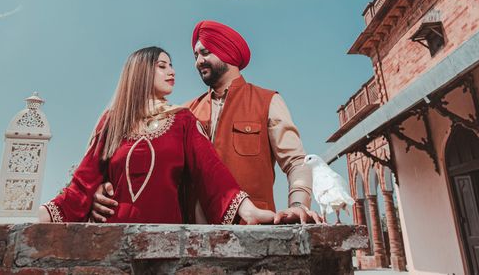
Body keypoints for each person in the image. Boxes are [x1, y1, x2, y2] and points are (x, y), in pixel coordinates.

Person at [91, 21, 323, 224]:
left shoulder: (267, 101)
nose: (198, 61)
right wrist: (102, 189)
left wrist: (299, 205)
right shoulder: (183, 112)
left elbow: (295, 162)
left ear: (227, 53)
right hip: (192, 236)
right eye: (195, 56)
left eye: (205, 53)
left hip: (251, 229)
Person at [38, 46, 277, 225]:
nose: (172, 71)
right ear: (140, 72)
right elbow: (83, 183)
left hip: (167, 239)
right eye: (162, 66)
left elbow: (211, 171)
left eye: (171, 65)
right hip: (111, 239)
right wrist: (41, 214)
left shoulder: (182, 120)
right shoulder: (113, 121)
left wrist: (247, 209)